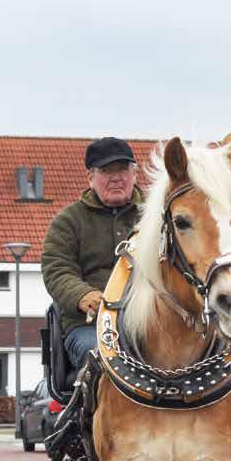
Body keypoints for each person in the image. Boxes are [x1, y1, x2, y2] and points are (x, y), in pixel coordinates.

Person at [42, 137, 143, 369]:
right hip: (90, 325)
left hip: (150, 322)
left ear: (135, 175)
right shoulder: (68, 221)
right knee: (100, 357)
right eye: (107, 171)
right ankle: (96, 405)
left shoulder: (156, 217)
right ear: (90, 178)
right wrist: (82, 295)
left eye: (123, 169)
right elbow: (57, 269)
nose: (116, 177)